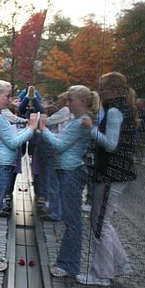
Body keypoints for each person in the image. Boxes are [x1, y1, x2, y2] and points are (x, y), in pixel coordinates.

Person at [77, 72, 138, 286]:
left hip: (111, 173)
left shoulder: (113, 111)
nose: (99, 92)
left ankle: (102, 273)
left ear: (112, 91)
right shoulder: (123, 109)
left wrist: (90, 129)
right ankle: (119, 264)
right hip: (116, 173)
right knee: (103, 221)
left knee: (100, 223)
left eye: (102, 88)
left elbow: (111, 144)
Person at [38, 85, 99, 278]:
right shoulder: (78, 120)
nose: (67, 103)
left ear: (82, 101)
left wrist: (43, 129)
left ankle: (69, 264)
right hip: (67, 170)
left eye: (71, 100)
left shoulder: (83, 121)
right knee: (71, 220)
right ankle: (66, 262)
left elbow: (61, 145)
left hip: (71, 172)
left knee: (73, 221)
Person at [0, 80, 37, 271]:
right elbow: (12, 143)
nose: (10, 99)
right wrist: (32, 129)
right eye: (8, 96)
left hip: (0, 166)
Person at [39, 92, 73, 221]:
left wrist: (38, 123)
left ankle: (55, 212)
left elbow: (48, 121)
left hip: (59, 150)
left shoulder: (65, 111)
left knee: (54, 183)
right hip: (65, 151)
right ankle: (58, 211)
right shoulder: (71, 113)